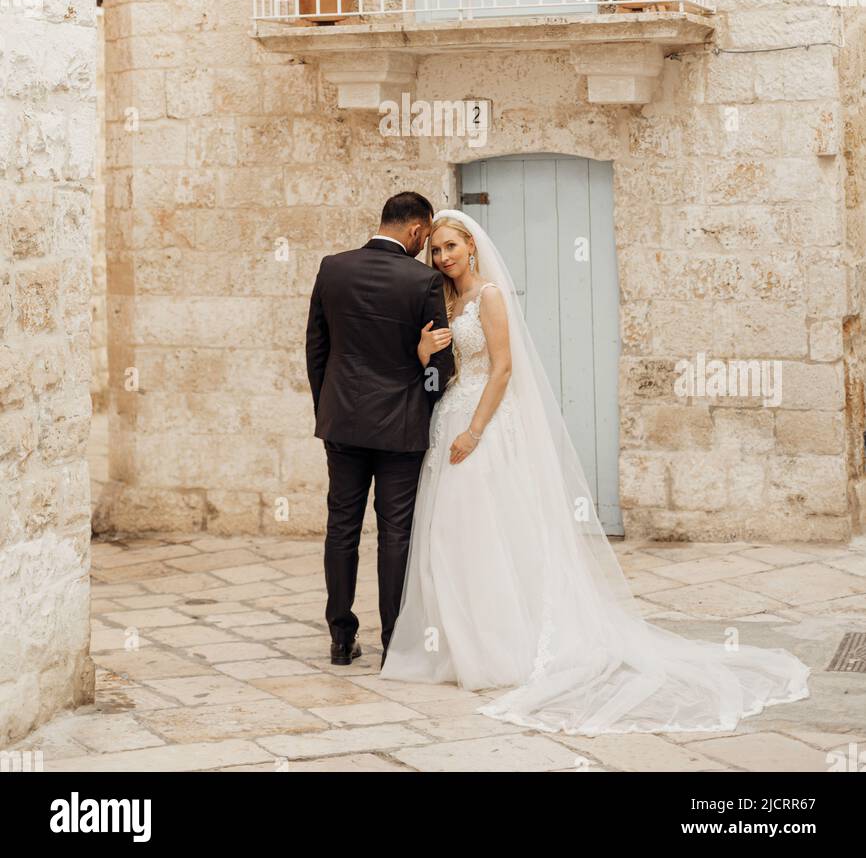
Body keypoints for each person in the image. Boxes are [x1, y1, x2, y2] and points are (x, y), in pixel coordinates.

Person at [380, 210, 811, 735]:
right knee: (451, 535)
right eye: (437, 251)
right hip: (448, 416)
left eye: (451, 247)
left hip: (483, 424)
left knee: (491, 530)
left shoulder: (491, 296)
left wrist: (474, 430)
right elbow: (442, 367)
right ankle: (456, 645)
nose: (443, 257)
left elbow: (504, 368)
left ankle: (502, 647)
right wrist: (425, 352)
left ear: (471, 245)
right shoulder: (444, 300)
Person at [305, 192, 454, 666]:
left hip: (342, 424)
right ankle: (394, 640)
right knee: (397, 534)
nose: (426, 245)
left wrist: (328, 409)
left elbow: (317, 350)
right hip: (400, 428)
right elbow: (441, 365)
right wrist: (424, 404)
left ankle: (341, 638)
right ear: (416, 230)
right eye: (426, 237)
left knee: (341, 528)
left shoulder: (333, 268)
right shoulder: (424, 280)